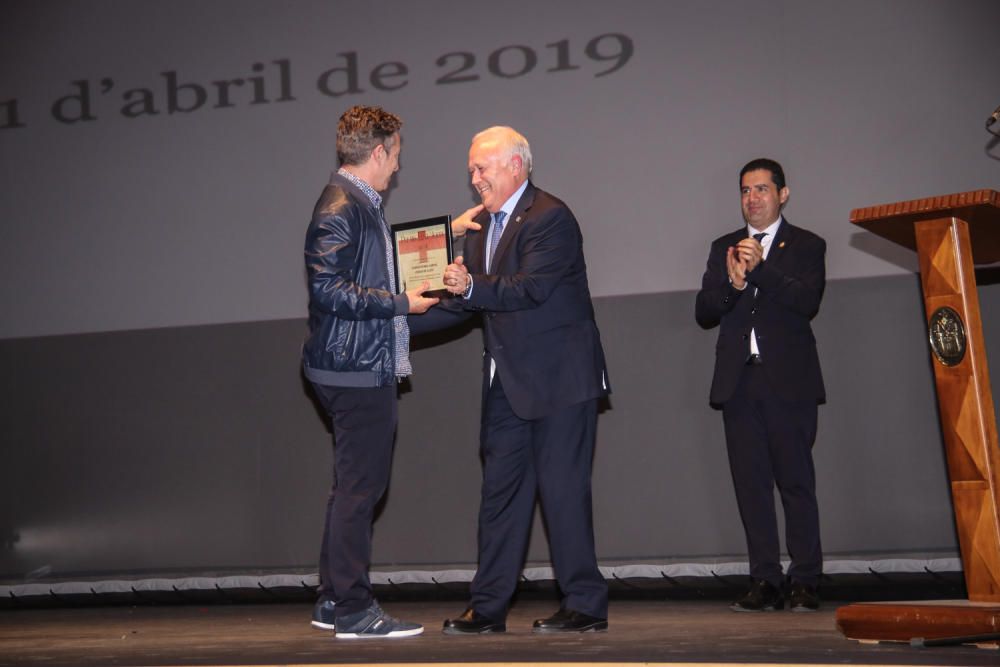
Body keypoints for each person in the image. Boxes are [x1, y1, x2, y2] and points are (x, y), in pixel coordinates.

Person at [410, 126, 610, 634]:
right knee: (500, 497)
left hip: (561, 382)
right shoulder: (483, 228)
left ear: (516, 166)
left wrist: (472, 284)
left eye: (483, 168)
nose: (475, 178)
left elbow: (531, 288)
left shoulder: (550, 217)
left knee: (563, 493)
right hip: (507, 384)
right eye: (472, 169)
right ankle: (489, 607)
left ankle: (584, 604)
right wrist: (397, 319)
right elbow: (463, 305)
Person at [301, 105, 439, 638]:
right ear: (378, 152)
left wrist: (452, 227)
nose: (398, 167)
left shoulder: (360, 202)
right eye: (397, 155)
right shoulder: (342, 206)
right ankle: (355, 610)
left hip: (352, 362)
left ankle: (334, 601)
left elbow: (368, 265)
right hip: (354, 367)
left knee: (351, 488)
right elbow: (328, 288)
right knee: (360, 490)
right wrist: (400, 304)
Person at [694, 158, 826, 612]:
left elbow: (805, 301)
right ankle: (765, 579)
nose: (753, 198)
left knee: (795, 483)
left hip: (788, 382)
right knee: (751, 486)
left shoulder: (807, 245)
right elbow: (705, 310)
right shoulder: (723, 247)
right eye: (746, 190)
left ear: (783, 194)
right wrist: (732, 284)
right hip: (739, 383)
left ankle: (805, 579)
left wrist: (762, 267)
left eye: (762, 189)